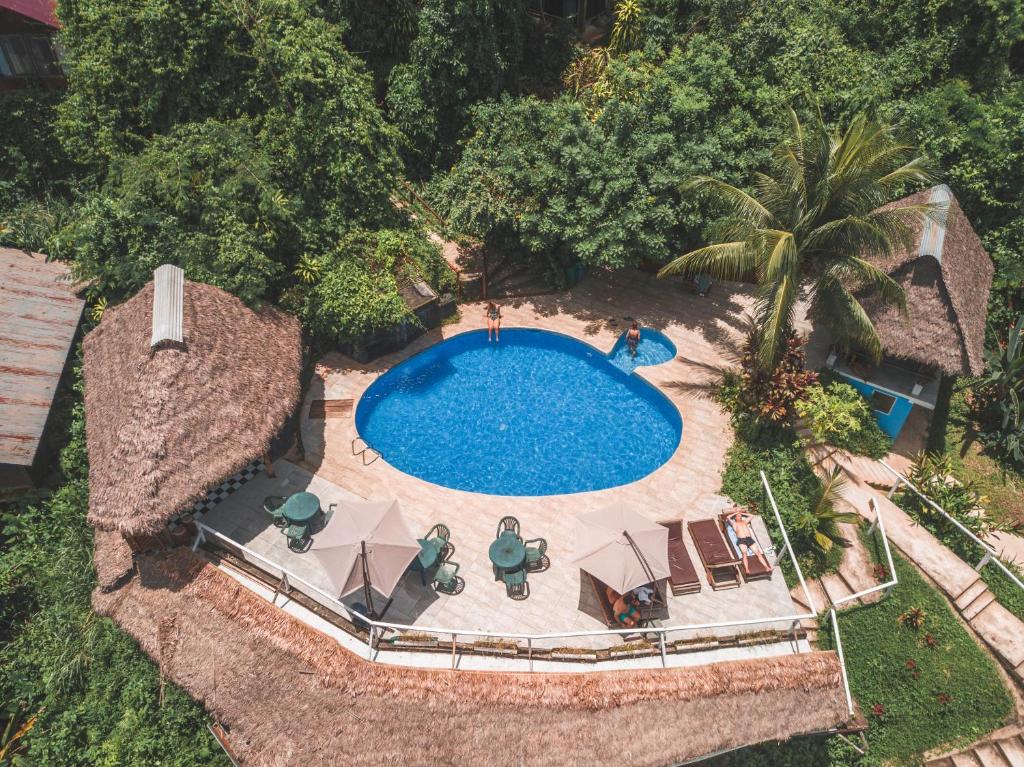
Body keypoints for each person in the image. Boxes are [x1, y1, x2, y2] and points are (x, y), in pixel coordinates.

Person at [727, 508, 771, 575]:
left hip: (749, 539)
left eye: (740, 516)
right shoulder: (734, 523)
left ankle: (767, 567)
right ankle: (747, 569)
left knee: (758, 553)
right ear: (735, 518)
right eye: (738, 516)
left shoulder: (745, 522)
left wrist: (741, 513)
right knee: (744, 554)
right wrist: (736, 513)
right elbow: (728, 517)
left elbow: (751, 516)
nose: (740, 517)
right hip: (741, 540)